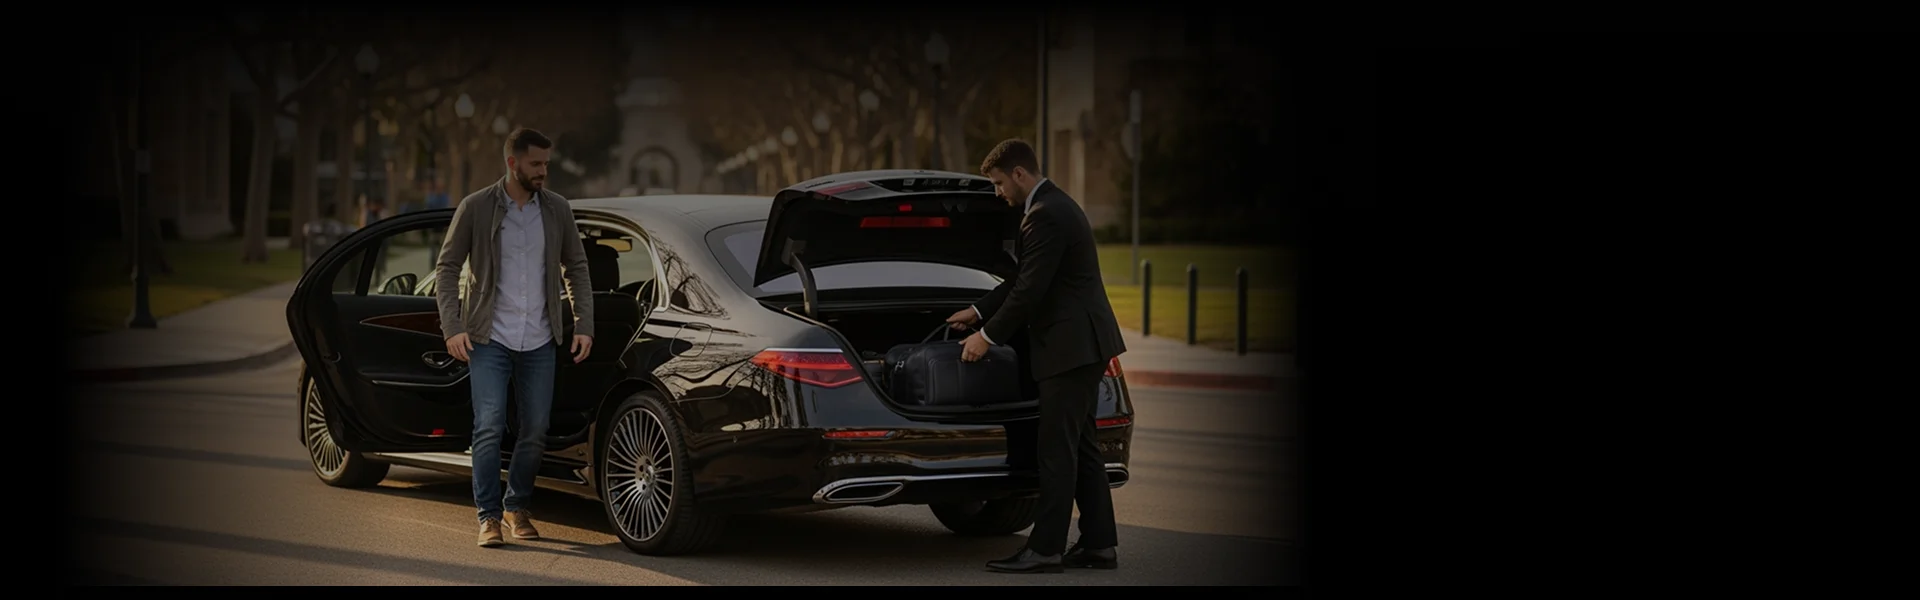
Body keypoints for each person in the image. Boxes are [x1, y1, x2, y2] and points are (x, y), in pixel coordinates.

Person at [947, 138, 1128, 573]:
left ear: (1020, 174)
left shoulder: (1046, 215)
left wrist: (986, 337)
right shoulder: (1051, 207)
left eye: (997, 183)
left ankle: (1045, 548)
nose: (997, 193)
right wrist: (976, 311)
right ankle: (1099, 544)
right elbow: (1020, 279)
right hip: (1081, 345)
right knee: (1082, 447)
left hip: (1070, 349)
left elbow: (1030, 290)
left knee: (1056, 451)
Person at [432, 128, 596, 548]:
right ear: (512, 163)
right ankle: (488, 516)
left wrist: (584, 324)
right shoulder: (476, 207)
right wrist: (453, 327)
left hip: (540, 337)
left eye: (546, 164)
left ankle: (516, 505)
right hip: (489, 337)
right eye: (536, 164)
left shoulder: (556, 209)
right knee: (487, 427)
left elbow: (575, 267)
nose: (544, 171)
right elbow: (447, 268)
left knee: (536, 428)